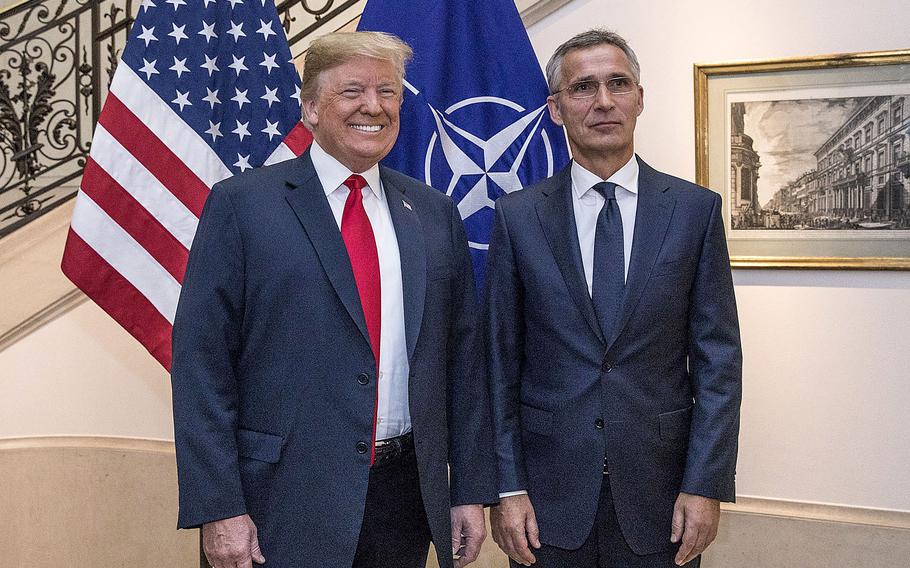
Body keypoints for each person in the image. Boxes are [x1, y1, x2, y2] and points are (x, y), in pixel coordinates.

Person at [171, 31, 496, 568]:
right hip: (277, 503)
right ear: (311, 108)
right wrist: (219, 506)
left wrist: (467, 490)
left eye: (387, 92)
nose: (373, 106)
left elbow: (462, 363)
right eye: (352, 91)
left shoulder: (434, 213)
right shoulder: (242, 206)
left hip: (404, 500)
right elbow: (201, 364)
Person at [485, 29, 742, 568]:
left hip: (662, 499)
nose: (604, 101)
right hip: (546, 506)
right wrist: (506, 489)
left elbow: (719, 363)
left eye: (618, 84)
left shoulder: (694, 212)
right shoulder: (517, 217)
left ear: (640, 99)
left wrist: (706, 484)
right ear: (555, 109)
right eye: (583, 88)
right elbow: (499, 364)